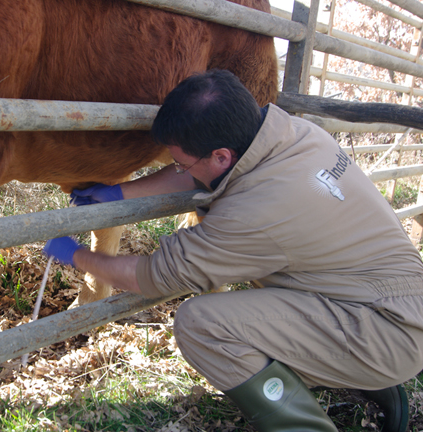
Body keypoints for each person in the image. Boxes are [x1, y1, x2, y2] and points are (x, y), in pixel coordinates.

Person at [43, 69, 423, 432]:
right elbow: (200, 166)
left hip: (386, 334)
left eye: (180, 161)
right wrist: (121, 192)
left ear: (222, 156)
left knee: (201, 324)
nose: (180, 168)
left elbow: (153, 276)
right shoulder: (294, 134)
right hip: (391, 303)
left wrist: (76, 255)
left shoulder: (257, 212)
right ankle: (369, 381)